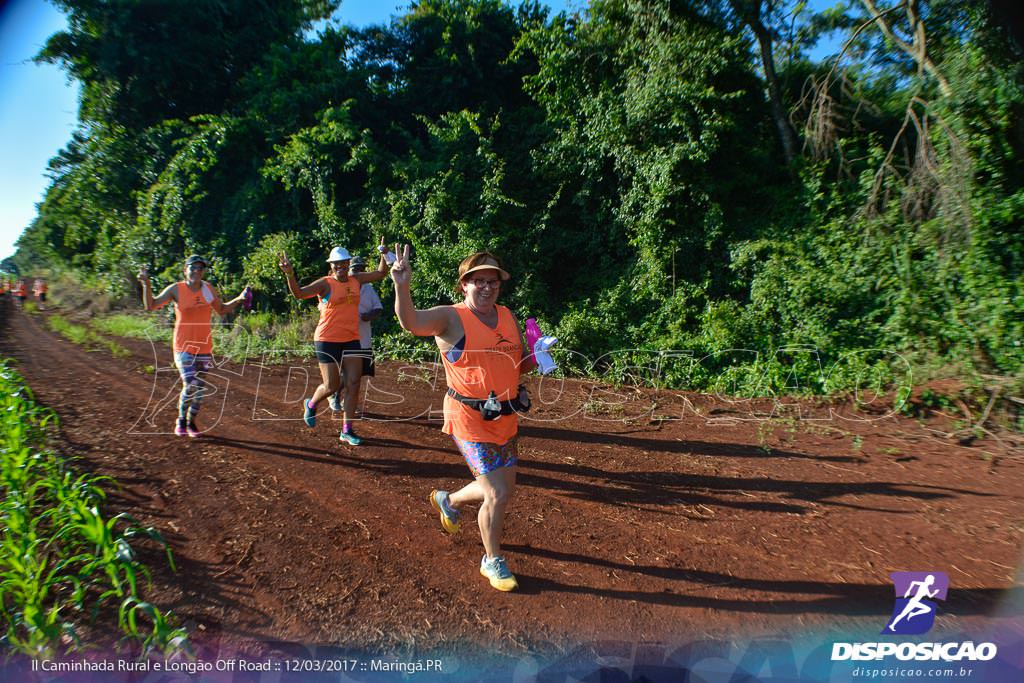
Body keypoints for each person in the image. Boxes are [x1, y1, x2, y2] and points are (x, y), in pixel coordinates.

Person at [391, 246, 536, 592]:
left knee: (501, 489)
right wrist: (401, 285)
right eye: (479, 281)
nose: (487, 288)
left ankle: (449, 500)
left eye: (493, 282)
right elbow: (411, 322)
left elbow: (518, 363)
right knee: (497, 493)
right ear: (464, 286)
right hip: (468, 418)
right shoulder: (451, 318)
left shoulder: (507, 316)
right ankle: (492, 560)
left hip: (504, 417)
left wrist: (538, 355)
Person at [278, 240, 390, 446]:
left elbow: (381, 273)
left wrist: (384, 253)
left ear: (348, 264)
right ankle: (311, 404)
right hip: (327, 339)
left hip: (351, 338)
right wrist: (289, 274)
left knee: (354, 383)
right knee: (332, 384)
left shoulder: (355, 279)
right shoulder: (325, 283)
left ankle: (347, 430)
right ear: (331, 266)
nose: (341, 267)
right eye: (336, 264)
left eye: (344, 263)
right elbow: (299, 294)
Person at [138, 255, 250, 438]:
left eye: (200, 268)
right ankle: (181, 420)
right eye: (193, 268)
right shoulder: (176, 289)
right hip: (183, 347)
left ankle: (191, 422)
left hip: (204, 347)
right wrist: (146, 284)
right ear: (185, 270)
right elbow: (151, 305)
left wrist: (239, 298)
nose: (197, 271)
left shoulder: (207, 289)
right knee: (190, 383)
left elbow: (221, 309)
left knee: (199, 388)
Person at [328, 256, 384, 412]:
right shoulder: (338, 286)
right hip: (342, 337)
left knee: (355, 375)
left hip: (362, 338)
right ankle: (334, 396)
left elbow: (378, 307)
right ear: (349, 269)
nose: (359, 271)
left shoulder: (368, 288)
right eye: (356, 268)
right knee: (343, 373)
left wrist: (369, 316)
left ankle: (349, 403)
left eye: (362, 268)